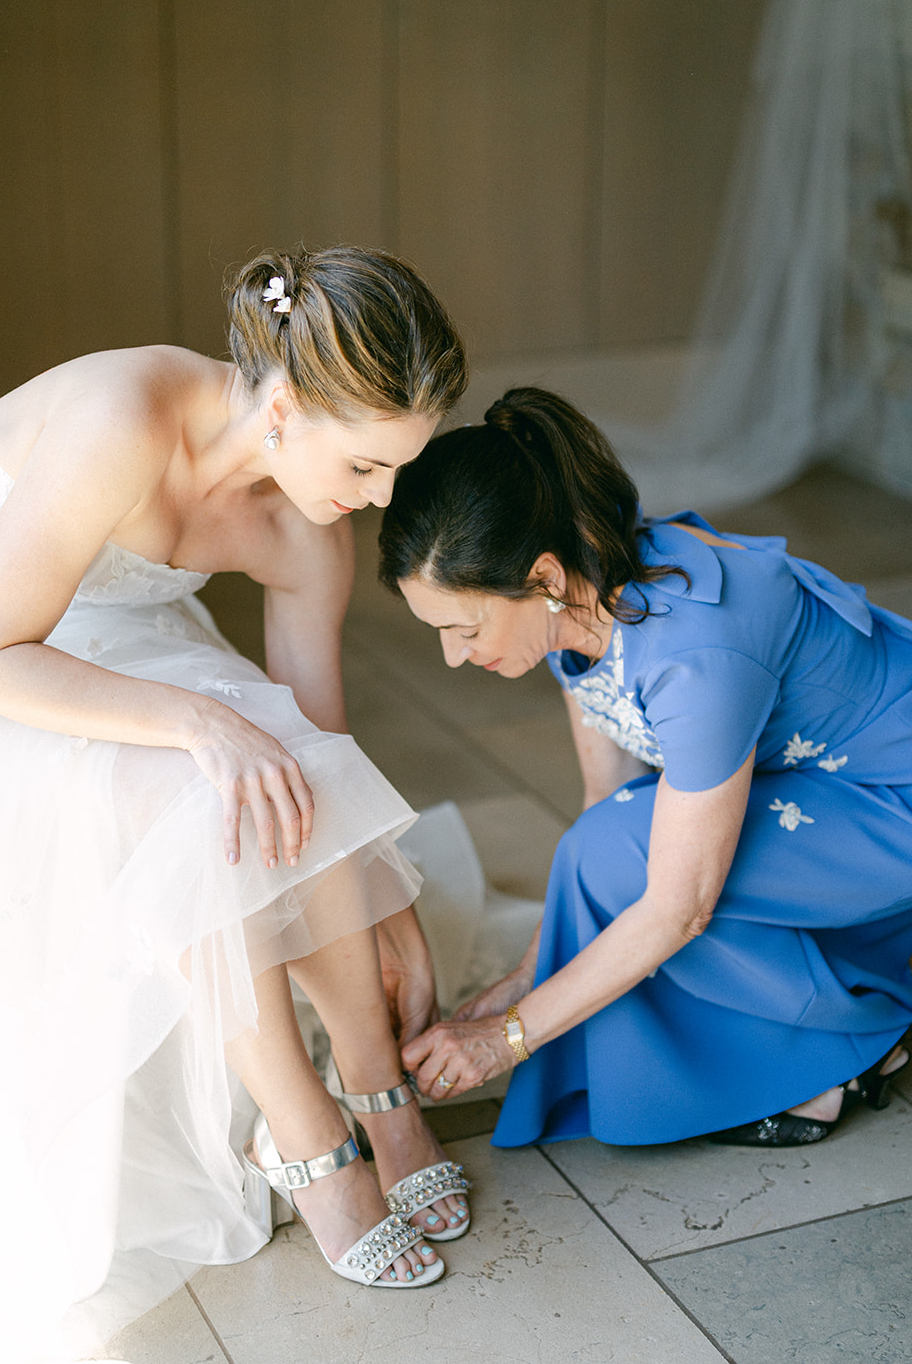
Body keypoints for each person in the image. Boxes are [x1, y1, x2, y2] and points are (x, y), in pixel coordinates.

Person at [0, 247, 471, 1363]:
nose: (380, 500)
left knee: (290, 768)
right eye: (369, 465)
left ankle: (380, 1091)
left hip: (87, 641)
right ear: (285, 404)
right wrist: (196, 721)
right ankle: (308, 1137)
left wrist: (388, 896)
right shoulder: (120, 417)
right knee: (205, 782)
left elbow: (325, 744)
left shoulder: (307, 532)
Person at [377, 385, 912, 1151]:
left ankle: (850, 1039)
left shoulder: (694, 654)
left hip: (892, 794)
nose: (453, 656)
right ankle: (812, 1019)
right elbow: (606, 801)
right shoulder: (584, 603)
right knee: (608, 842)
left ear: (544, 577)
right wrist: (522, 983)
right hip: (823, 790)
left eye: (463, 627)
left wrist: (507, 1037)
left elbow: (676, 905)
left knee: (633, 859)